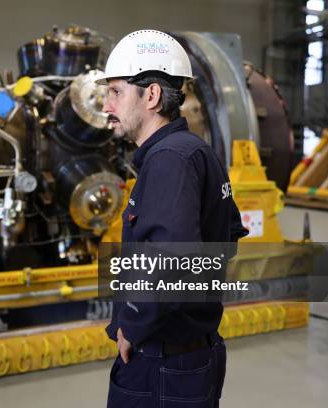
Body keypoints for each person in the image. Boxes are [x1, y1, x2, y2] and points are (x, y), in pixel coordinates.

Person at [97, 30, 248, 407]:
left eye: (115, 91)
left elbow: (171, 257)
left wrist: (132, 323)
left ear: (151, 95)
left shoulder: (168, 161)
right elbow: (226, 240)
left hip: (163, 362)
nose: (105, 105)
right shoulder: (196, 151)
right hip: (193, 354)